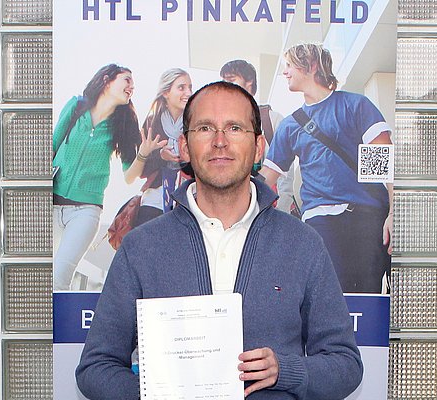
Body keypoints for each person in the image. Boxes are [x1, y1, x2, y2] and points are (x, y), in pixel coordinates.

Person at [76, 82, 362, 399]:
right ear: (184, 146)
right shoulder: (141, 247)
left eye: (235, 128)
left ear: (259, 147)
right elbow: (96, 368)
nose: (220, 141)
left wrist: (285, 370)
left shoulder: (302, 243)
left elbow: (345, 365)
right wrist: (153, 394)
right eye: (205, 128)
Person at [259, 43, 394, 294]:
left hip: (365, 216)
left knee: (367, 297)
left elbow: (383, 165)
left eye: (289, 65)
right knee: (329, 297)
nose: (285, 72)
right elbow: (266, 179)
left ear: (311, 66)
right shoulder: (290, 125)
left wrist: (394, 214)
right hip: (319, 219)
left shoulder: (355, 105)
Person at [52, 64, 142, 290]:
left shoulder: (122, 125)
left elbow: (130, 175)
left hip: (85, 211)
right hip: (51, 203)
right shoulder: (76, 107)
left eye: (133, 84)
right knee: (33, 272)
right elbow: (53, 145)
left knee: (59, 277)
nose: (132, 87)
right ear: (106, 80)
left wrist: (145, 153)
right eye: (127, 80)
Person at [220, 60, 299, 216]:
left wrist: (281, 210)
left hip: (271, 210)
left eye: (231, 80)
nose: (225, 87)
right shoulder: (223, 127)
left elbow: (286, 172)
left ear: (249, 82)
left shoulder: (271, 120)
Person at [122, 68, 192, 228]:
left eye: (190, 87)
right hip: (155, 197)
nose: (188, 92)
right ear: (166, 92)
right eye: (181, 87)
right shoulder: (153, 122)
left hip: (187, 199)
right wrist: (161, 156)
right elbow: (142, 171)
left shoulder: (196, 123)